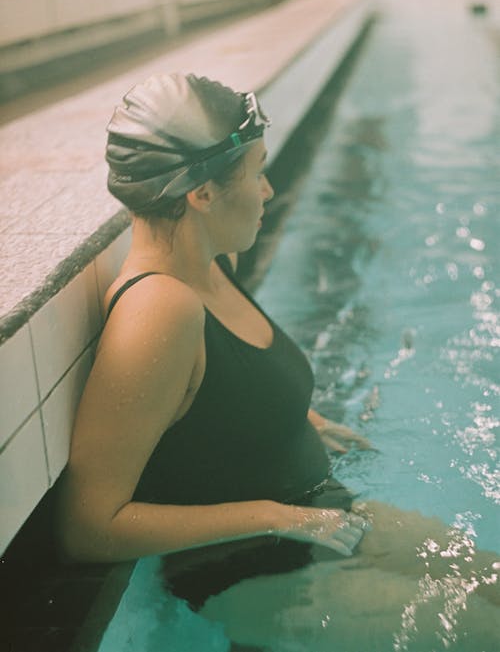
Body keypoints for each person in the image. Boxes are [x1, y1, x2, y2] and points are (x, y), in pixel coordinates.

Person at [57, 73, 499, 648]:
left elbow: (215, 397)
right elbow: (88, 527)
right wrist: (274, 515)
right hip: (259, 575)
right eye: (258, 171)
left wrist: (296, 417)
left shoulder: (213, 261)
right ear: (202, 194)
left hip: (319, 515)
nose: (268, 191)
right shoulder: (158, 310)